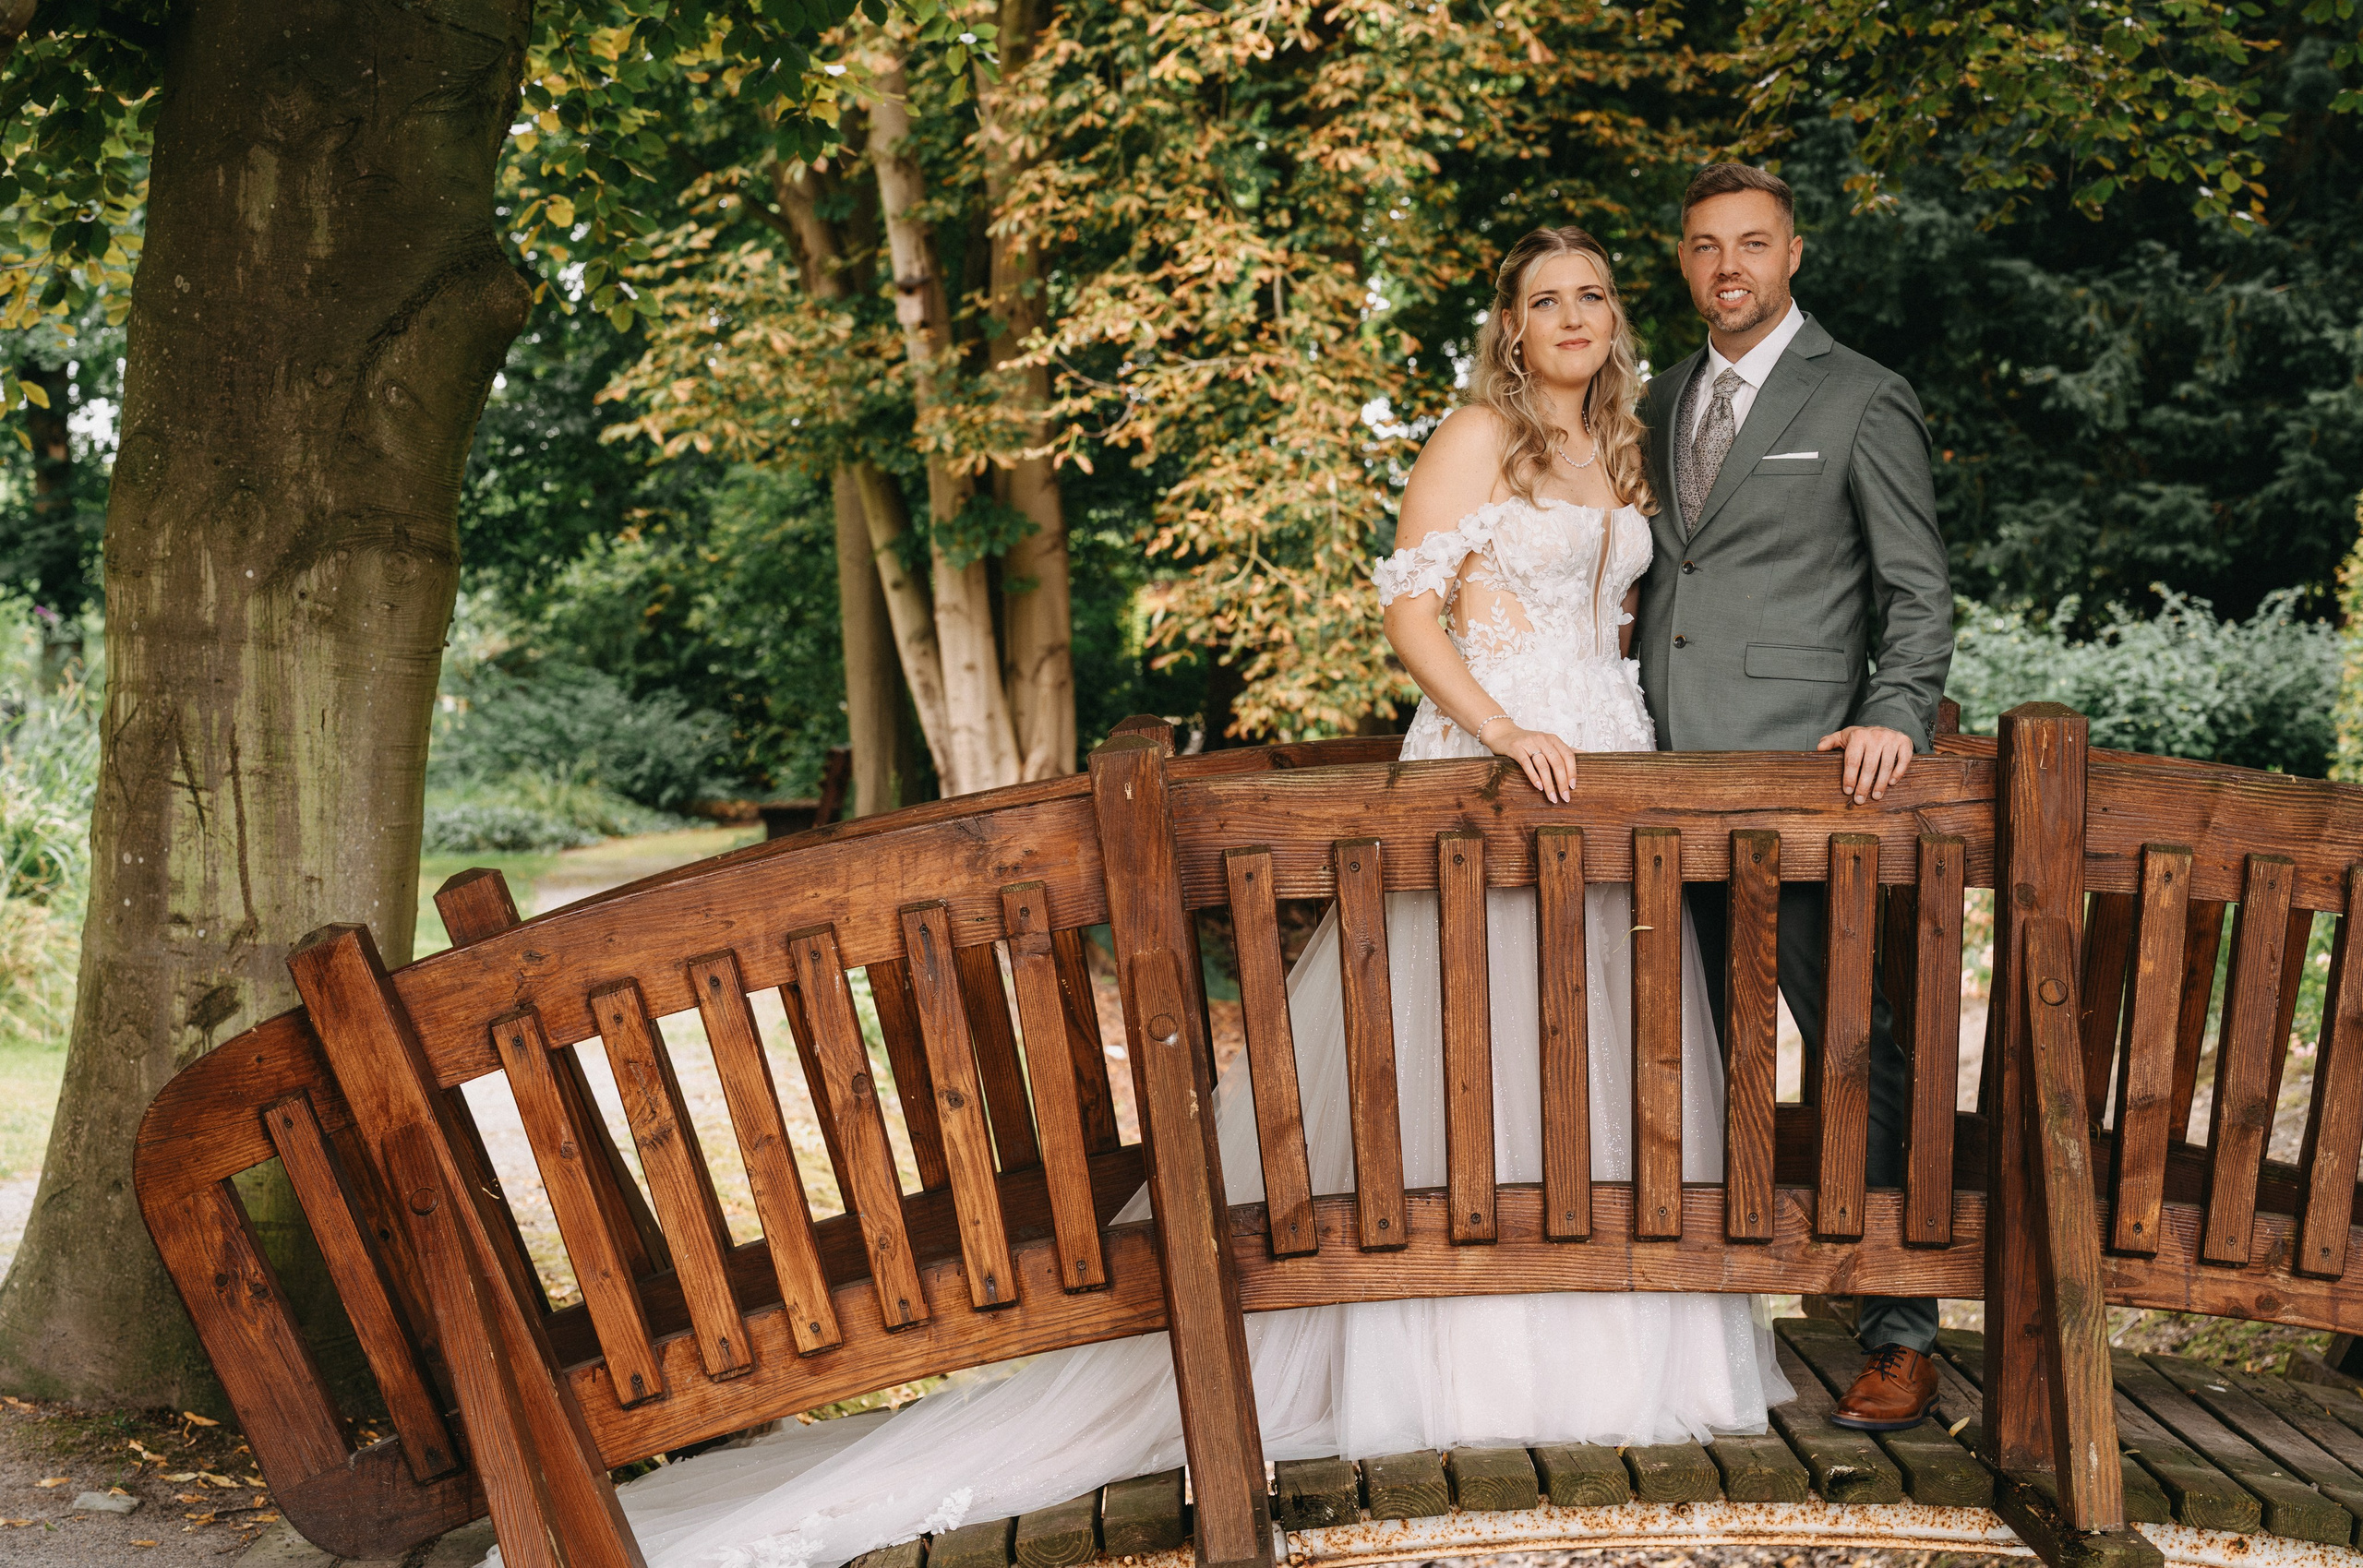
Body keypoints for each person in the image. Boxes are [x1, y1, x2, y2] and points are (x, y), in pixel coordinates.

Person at [495, 224, 1791, 1568]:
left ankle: (1622, 1366)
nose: (1571, 316)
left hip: (1618, 776)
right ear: (1510, 327)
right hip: (1489, 770)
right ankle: (1469, 1373)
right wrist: (1507, 728)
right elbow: (1412, 616)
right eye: (1544, 299)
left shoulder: (1628, 448)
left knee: (1595, 1061)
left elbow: (1635, 621)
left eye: (1590, 295)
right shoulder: (1475, 436)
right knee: (1467, 1063)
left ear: (1612, 320)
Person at [1631, 162, 1956, 1432]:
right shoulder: (1653, 400)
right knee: (1682, 1057)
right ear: (1684, 262)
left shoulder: (1862, 395)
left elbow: (1916, 589)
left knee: (1860, 1049)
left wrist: (1895, 711)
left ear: (1794, 255)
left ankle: (1898, 1330)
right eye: (1707, 246)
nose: (1730, 267)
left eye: (1753, 245)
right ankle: (1706, 1313)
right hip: (1656, 792)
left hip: (1810, 791)